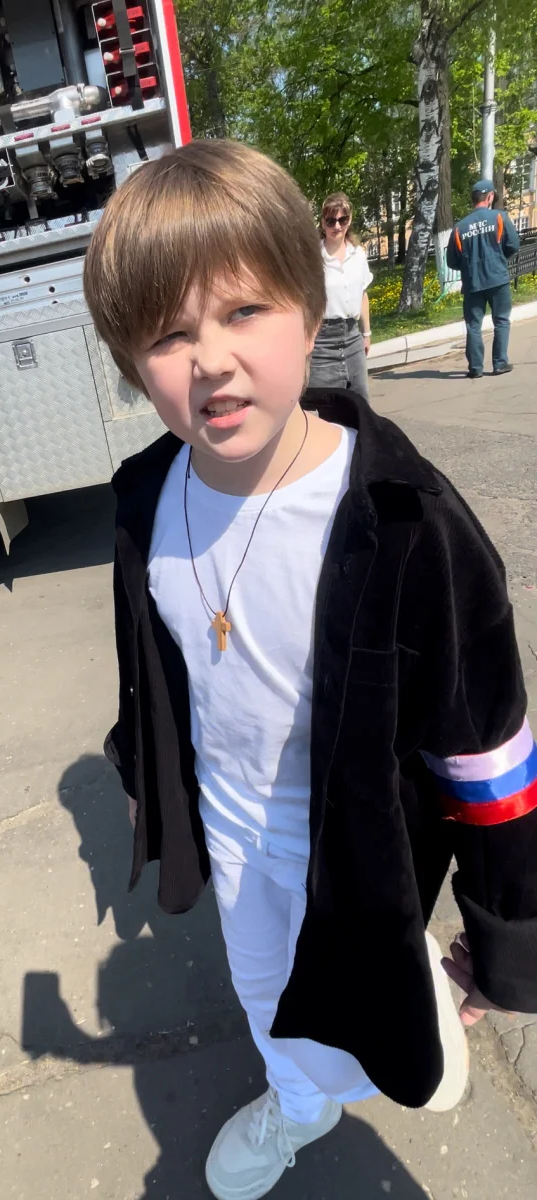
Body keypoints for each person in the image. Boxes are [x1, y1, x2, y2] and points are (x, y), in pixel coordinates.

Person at [84, 140, 537, 1200]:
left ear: (308, 306)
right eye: (168, 334)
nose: (210, 359)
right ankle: (297, 1103)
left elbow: (486, 751)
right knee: (264, 993)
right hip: (232, 830)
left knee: (374, 1007)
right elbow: (152, 666)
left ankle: (408, 1010)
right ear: (131, 364)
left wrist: (502, 936)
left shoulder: (404, 520)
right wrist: (143, 772)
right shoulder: (144, 501)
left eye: (243, 310)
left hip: (359, 849)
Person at [447, 179, 520, 378]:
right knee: (501, 320)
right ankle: (500, 364)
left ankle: (475, 368)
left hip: (473, 283)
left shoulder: (459, 228)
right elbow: (513, 245)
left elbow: (452, 261)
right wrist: (498, 260)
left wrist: (469, 267)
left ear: (473, 199)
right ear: (490, 197)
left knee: (473, 326)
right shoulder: (500, 217)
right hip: (498, 280)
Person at [308, 192, 373, 401]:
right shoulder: (314, 259)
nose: (337, 226)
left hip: (353, 337)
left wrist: (366, 334)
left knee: (360, 403)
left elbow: (362, 295)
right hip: (322, 343)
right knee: (325, 406)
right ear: (322, 223)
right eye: (331, 221)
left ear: (349, 220)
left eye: (342, 220)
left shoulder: (358, 255)